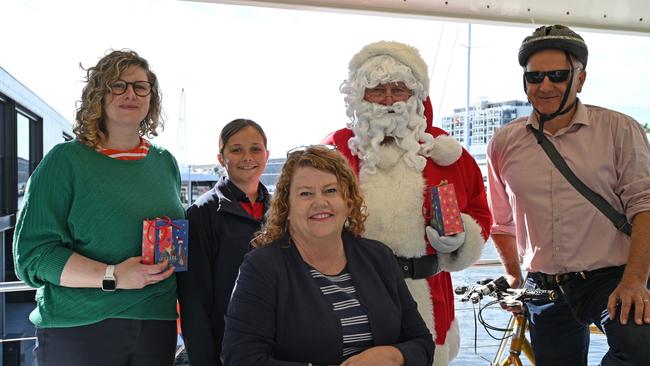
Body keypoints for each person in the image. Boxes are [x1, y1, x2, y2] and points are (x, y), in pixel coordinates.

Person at [487, 24, 650, 365]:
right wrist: (515, 278)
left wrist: (635, 281)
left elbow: (645, 206)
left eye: (558, 75)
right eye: (535, 77)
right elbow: (502, 223)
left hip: (610, 277)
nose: (545, 86)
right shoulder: (504, 142)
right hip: (542, 287)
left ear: (580, 79)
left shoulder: (619, 129)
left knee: (641, 347)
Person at [323, 41, 492, 365]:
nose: (388, 100)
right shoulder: (336, 150)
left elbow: (480, 211)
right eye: (377, 90)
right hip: (351, 292)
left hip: (428, 292)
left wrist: (462, 238)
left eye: (398, 90)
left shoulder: (447, 154)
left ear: (414, 95)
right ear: (360, 96)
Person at [12, 50, 184, 365]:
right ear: (98, 96)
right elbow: (34, 257)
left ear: (151, 98)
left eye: (140, 86)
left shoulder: (165, 163)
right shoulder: (64, 162)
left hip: (156, 323)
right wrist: (113, 275)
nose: (130, 93)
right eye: (118, 85)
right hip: (81, 326)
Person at [221, 146, 435, 365]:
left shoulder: (379, 257)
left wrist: (393, 356)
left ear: (348, 201)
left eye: (330, 190)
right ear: (287, 206)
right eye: (305, 193)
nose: (319, 201)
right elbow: (240, 358)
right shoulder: (261, 268)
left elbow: (422, 343)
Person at [177, 118, 271, 366]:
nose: (247, 157)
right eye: (236, 149)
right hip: (225, 345)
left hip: (275, 343)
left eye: (255, 149)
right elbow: (193, 299)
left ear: (267, 154)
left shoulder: (281, 211)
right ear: (221, 158)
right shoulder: (201, 213)